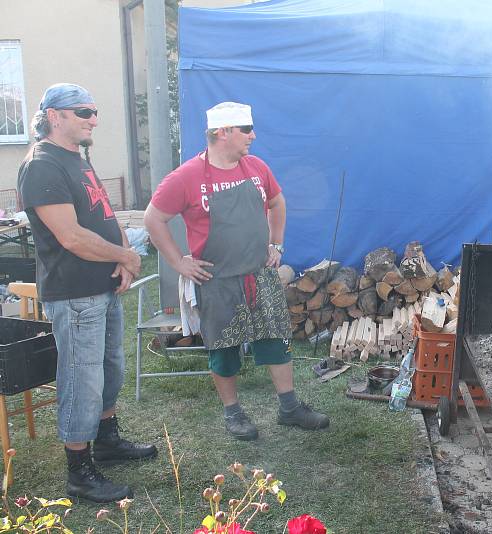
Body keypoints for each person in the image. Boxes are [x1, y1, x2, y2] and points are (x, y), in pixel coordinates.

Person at [144, 102, 329, 441]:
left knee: (276, 339)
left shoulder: (256, 168)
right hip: (217, 279)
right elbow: (153, 219)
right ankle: (233, 413)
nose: (253, 135)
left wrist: (277, 244)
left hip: (260, 274)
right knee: (223, 348)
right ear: (222, 132)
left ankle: (289, 408)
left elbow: (277, 202)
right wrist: (178, 261)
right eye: (246, 129)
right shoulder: (186, 177)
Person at [17, 83, 157, 503]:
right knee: (82, 377)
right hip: (74, 292)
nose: (93, 119)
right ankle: (79, 470)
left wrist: (123, 256)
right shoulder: (42, 165)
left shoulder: (76, 159)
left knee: (109, 368)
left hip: (102, 285)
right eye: (83, 112)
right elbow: (71, 236)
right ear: (54, 116)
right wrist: (127, 256)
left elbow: (104, 215)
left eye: (94, 111)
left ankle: (107, 440)